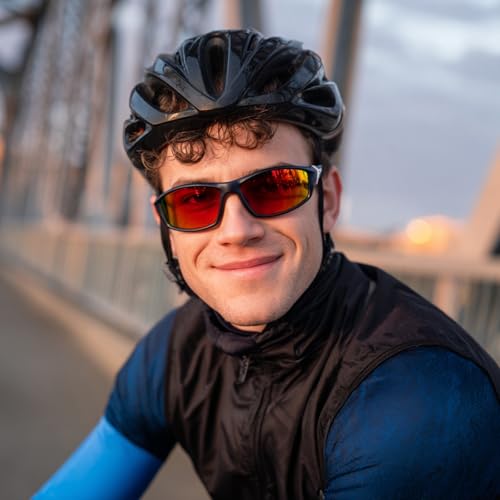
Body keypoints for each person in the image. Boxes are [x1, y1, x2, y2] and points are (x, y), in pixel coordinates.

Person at [34, 29, 499, 500]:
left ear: (328, 200)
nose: (237, 230)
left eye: (275, 186)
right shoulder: (178, 352)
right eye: (194, 200)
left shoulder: (419, 394)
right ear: (166, 227)